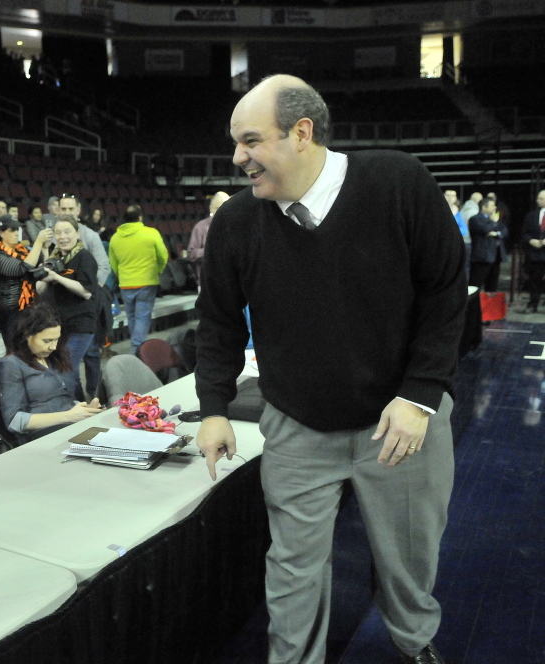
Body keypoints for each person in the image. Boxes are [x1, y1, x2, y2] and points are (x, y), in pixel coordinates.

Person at [194, 75, 466, 664]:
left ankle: (414, 639)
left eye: (249, 141)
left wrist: (421, 394)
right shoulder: (237, 223)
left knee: (411, 556)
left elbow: (446, 292)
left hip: (401, 421)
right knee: (292, 567)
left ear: (301, 133)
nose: (237, 158)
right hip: (297, 427)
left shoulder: (397, 182)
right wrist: (214, 407)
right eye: (235, 143)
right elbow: (216, 321)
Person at [0, 304, 102, 445]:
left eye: (56, 339)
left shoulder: (55, 358)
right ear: (27, 335)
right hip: (41, 436)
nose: (53, 346)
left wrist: (86, 410)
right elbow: (14, 421)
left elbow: (64, 399)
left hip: (68, 426)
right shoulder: (10, 365)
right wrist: (68, 416)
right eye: (47, 341)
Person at [57, 193, 110, 399]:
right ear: (58, 210)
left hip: (87, 308)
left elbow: (104, 266)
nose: (68, 212)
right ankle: (80, 400)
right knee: (68, 362)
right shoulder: (54, 237)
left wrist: (86, 287)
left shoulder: (90, 236)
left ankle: (94, 396)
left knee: (91, 354)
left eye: (71, 209)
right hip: (63, 312)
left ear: (78, 210)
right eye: (64, 209)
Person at [37, 215, 98, 392]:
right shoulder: (55, 258)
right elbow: (39, 290)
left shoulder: (84, 257)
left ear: (77, 233)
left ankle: (72, 411)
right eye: (58, 233)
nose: (62, 237)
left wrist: (57, 277)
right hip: (59, 325)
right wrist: (45, 274)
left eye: (67, 232)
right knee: (69, 370)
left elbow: (86, 292)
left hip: (81, 324)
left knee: (65, 368)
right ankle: (79, 406)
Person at [108, 204, 168, 355]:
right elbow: (163, 255)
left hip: (126, 283)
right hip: (147, 281)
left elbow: (113, 263)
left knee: (132, 318)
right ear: (140, 217)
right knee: (142, 317)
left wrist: (121, 275)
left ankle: (138, 348)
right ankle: (137, 350)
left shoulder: (115, 238)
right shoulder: (151, 233)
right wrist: (157, 270)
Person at [0, 215, 50, 348]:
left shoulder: (22, 251)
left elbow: (36, 267)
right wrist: (38, 242)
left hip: (29, 307)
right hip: (11, 310)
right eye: (12, 230)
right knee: (15, 349)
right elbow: (23, 268)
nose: (17, 232)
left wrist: (45, 248)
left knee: (31, 349)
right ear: (1, 233)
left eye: (17, 229)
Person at [186, 191, 229, 283]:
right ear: (211, 209)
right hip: (209, 282)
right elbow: (191, 255)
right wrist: (211, 250)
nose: (222, 211)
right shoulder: (200, 228)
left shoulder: (238, 227)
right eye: (218, 208)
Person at [468, 196, 507, 293]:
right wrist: (493, 222)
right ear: (484, 207)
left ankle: (489, 307)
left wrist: (496, 233)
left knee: (492, 286)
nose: (495, 208)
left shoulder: (496, 218)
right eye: (492, 206)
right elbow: (485, 230)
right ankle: (473, 307)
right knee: (475, 286)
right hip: (481, 258)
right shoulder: (475, 219)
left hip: (495, 257)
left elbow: (505, 230)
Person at [521, 189, 545, 313]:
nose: (538, 200)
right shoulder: (531, 215)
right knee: (534, 280)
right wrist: (531, 241)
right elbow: (524, 233)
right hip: (535, 254)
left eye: (541, 198)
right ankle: (532, 304)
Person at [444, 189, 470, 277]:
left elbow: (464, 230)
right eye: (448, 195)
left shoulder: (458, 212)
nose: (450, 198)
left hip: (455, 244)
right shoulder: (438, 209)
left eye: (453, 196)